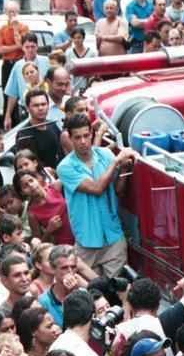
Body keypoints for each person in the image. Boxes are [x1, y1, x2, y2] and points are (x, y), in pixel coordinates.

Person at [57, 114, 136, 278]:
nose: (83, 141)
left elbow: (118, 191)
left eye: (86, 135)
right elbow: (97, 188)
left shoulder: (105, 155)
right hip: (87, 241)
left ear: (92, 134)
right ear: (70, 139)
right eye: (77, 137)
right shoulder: (65, 167)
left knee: (114, 292)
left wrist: (123, 170)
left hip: (113, 237)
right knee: (89, 294)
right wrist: (116, 163)